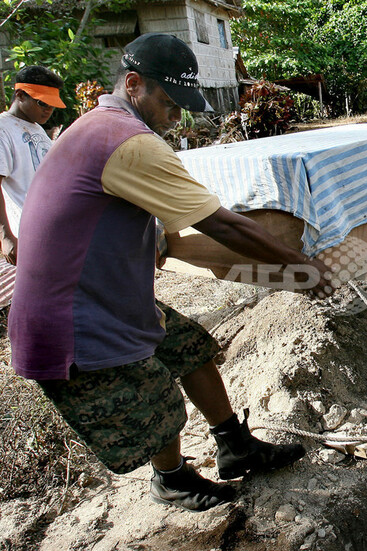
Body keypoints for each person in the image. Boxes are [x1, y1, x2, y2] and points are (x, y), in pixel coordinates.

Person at [9, 33, 332, 513]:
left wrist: (157, 230)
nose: (176, 116)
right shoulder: (127, 140)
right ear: (134, 84)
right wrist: (306, 268)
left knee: (192, 349)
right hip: (71, 318)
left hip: (102, 295)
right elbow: (222, 225)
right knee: (156, 404)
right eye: (170, 102)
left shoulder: (99, 125)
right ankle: (172, 479)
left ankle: (235, 444)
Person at [0, 65, 65, 265]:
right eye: (42, 103)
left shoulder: (37, 129)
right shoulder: (3, 129)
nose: (49, 110)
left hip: (52, 233)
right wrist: (5, 236)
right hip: (26, 235)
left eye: (53, 105)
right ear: (20, 95)